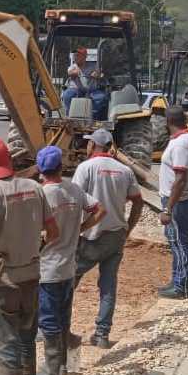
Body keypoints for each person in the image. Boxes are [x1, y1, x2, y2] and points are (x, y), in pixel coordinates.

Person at [0, 138, 59, 375]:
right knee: (26, 340)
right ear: (10, 159)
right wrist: (36, 248)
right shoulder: (34, 187)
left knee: (7, 343)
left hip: (3, 280)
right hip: (31, 276)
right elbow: (54, 232)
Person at [35, 146, 106, 375]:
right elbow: (100, 209)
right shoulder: (74, 189)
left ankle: (52, 372)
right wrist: (81, 229)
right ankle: (62, 365)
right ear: (60, 166)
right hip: (68, 267)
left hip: (48, 269)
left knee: (48, 321)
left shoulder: (42, 194)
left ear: (40, 170)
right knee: (63, 317)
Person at [71, 129, 144, 349]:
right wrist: (128, 229)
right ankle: (102, 335)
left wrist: (73, 231)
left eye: (89, 143)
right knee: (108, 287)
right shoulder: (125, 170)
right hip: (115, 236)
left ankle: (52, 329)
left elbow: (73, 201)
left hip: (89, 237)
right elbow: (138, 202)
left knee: (66, 283)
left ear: (93, 146)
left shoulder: (86, 168)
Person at [158, 106, 188, 300]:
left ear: (168, 122)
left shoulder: (181, 145)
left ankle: (181, 287)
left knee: (178, 242)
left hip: (179, 202)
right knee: (177, 240)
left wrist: (168, 208)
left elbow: (180, 179)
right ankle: (177, 280)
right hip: (187, 198)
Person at [62, 47, 89, 115]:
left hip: (90, 90)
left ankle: (97, 119)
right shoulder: (73, 66)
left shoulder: (92, 67)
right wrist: (75, 73)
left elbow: (99, 74)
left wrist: (97, 74)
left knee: (100, 97)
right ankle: (68, 116)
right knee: (67, 94)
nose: (75, 57)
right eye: (75, 55)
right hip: (75, 89)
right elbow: (70, 72)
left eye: (78, 55)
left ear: (85, 57)